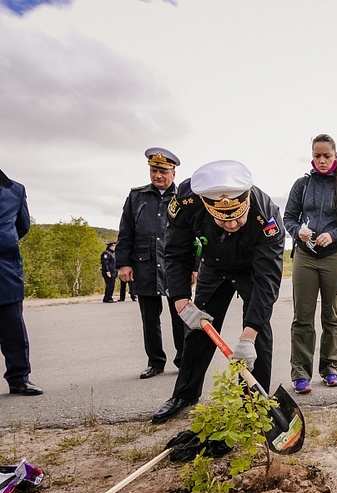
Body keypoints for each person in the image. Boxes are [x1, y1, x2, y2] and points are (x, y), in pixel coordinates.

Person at [151, 160, 284, 423]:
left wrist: (250, 332)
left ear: (246, 202)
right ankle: (185, 395)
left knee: (258, 335)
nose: (232, 225)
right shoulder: (187, 203)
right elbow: (176, 252)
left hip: (252, 269)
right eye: (223, 220)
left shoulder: (266, 213)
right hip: (213, 265)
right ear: (206, 206)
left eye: (237, 217)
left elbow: (268, 278)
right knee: (198, 331)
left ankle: (252, 402)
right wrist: (180, 301)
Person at [283, 134, 337, 393]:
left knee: (333, 317)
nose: (321, 160)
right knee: (302, 318)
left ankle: (330, 368)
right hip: (305, 256)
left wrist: (335, 235)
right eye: (317, 155)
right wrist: (298, 232)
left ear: (335, 156)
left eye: (326, 155)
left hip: (335, 257)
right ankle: (300, 374)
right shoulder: (302, 185)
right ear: (312, 156)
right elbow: (288, 218)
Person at [116, 147, 187, 379]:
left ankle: (183, 359)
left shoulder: (183, 198)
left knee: (181, 315)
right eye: (154, 170)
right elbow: (126, 232)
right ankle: (155, 362)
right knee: (149, 318)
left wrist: (195, 266)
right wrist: (123, 264)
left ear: (173, 173)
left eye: (163, 171)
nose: (158, 175)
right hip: (143, 264)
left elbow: (194, 234)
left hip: (175, 265)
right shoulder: (136, 197)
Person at [0, 169, 43, 396]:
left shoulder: (15, 190)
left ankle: (18, 379)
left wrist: (6, 241)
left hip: (5, 270)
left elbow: (22, 226)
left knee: (13, 329)